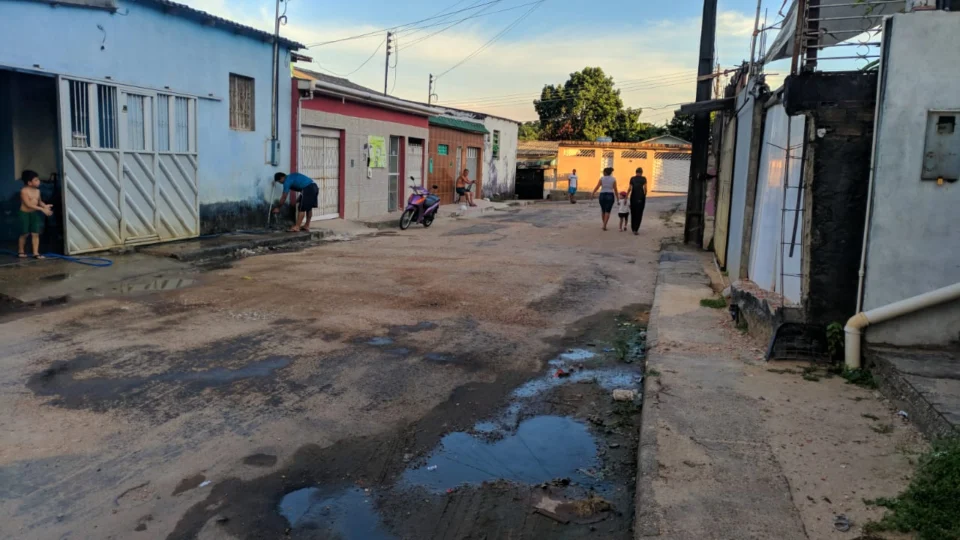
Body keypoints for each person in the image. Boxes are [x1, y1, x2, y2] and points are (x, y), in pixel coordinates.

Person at [18, 170, 53, 259]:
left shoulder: (38, 191)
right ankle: (21, 251)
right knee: (24, 234)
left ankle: (36, 253)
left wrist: (45, 206)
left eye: (38, 180)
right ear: (29, 182)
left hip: (33, 213)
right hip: (24, 214)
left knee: (35, 233)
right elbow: (28, 205)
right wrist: (42, 209)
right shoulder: (24, 191)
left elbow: (39, 202)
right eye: (36, 180)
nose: (39, 182)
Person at [626, 167, 648, 235]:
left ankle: (633, 228)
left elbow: (629, 188)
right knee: (639, 213)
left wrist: (626, 196)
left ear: (636, 172)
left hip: (633, 197)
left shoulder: (632, 178)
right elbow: (645, 189)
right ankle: (636, 229)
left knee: (633, 212)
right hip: (641, 197)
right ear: (642, 173)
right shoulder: (644, 178)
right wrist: (644, 195)